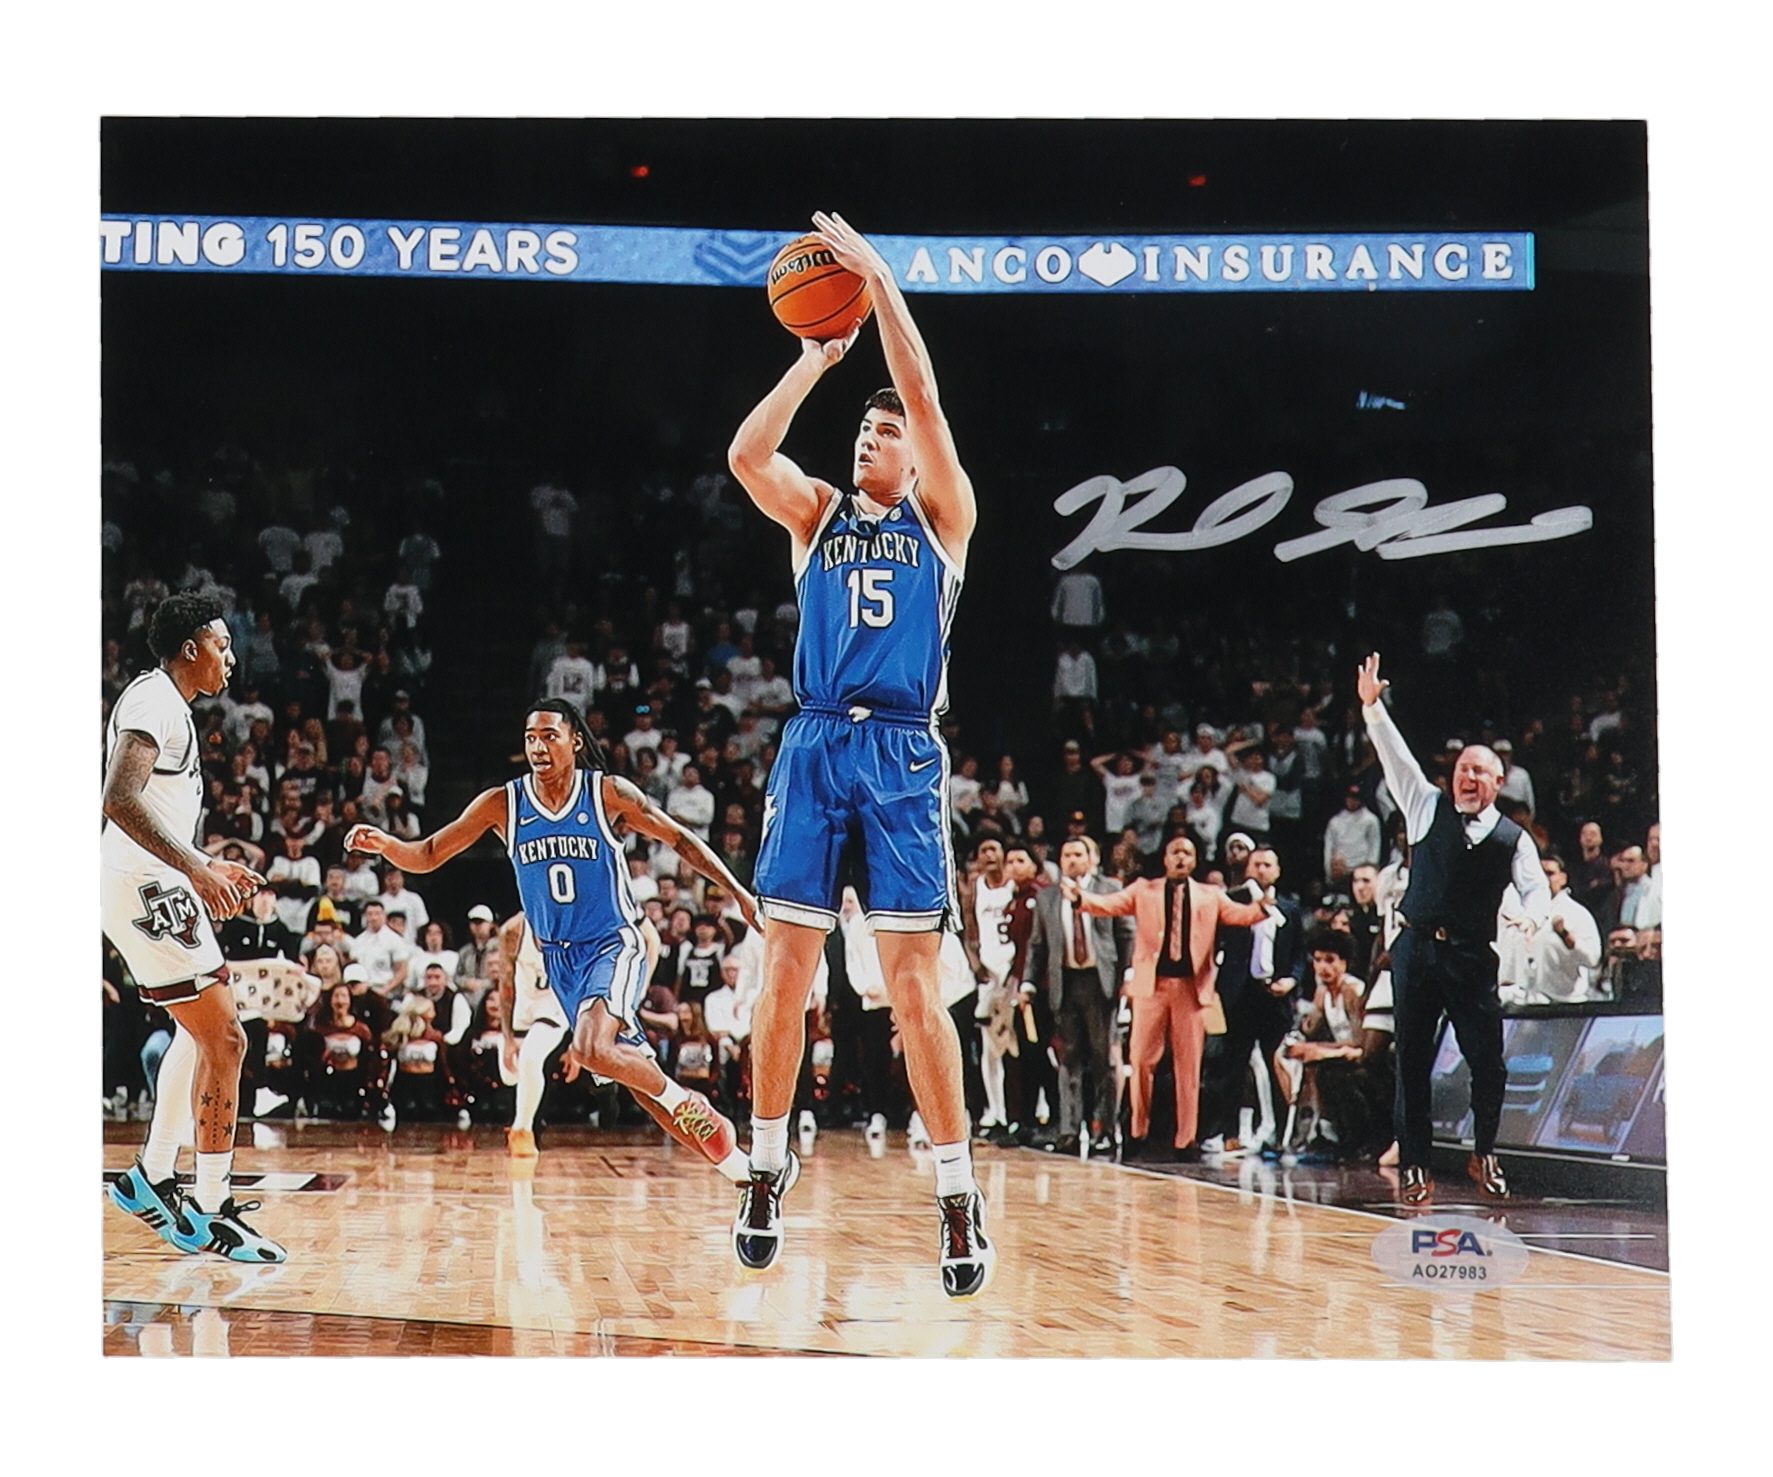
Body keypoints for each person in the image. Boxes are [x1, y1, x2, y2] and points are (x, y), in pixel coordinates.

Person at [725, 211, 992, 1297]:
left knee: (912, 987)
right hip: (816, 743)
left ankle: (956, 1188)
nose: (866, 442)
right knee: (785, 971)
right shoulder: (817, 518)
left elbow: (920, 392)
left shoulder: (944, 518)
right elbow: (746, 456)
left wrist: (879, 283)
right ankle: (764, 1163)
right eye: (862, 434)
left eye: (881, 435)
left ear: (911, 453)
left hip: (902, 756)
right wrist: (813, 359)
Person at [344, 699, 757, 1183]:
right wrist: (387, 845)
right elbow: (430, 853)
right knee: (636, 1082)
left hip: (612, 943)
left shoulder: (607, 793)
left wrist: (738, 892)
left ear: (575, 741)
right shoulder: (504, 803)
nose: (538, 746)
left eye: (549, 736)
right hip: (560, 962)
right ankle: (744, 1171)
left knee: (590, 1050)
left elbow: (680, 839)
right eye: (530, 738)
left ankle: (691, 1103)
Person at [101, 592, 286, 1262]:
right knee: (227, 1038)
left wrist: (204, 862)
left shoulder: (165, 702)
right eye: (221, 645)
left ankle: (150, 1176)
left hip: (151, 882)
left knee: (201, 1027)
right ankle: (209, 1211)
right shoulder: (155, 701)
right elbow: (118, 799)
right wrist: (196, 869)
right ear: (190, 648)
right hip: (143, 885)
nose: (230, 657)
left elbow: (156, 809)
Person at [1357, 653, 1549, 1204]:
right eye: (1462, 768)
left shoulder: (1514, 838)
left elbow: (1536, 889)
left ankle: (1483, 1152)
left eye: (1478, 771)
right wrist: (1372, 708)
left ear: (1498, 781)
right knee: (1411, 1062)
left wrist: (1531, 916)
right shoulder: (1425, 804)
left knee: (1488, 1063)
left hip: (1470, 957)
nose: (1467, 777)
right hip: (1416, 950)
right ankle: (1416, 1164)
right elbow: (1396, 757)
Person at [1068, 834, 1270, 1160]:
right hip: (1152, 987)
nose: (1180, 858)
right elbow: (1110, 904)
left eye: (1187, 853)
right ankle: (1137, 1130)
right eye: (1175, 852)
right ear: (1165, 858)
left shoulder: (1210, 895)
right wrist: (1081, 899)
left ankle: (1185, 1139)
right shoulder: (1144, 890)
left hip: (1190, 988)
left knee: (1188, 1066)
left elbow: (1240, 915)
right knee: (1140, 1060)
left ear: (1194, 860)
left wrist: (1262, 907)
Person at [1023, 836, 1128, 1155]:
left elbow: (1126, 933)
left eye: (1078, 854)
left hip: (1099, 982)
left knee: (1102, 1059)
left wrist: (1127, 975)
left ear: (1092, 858)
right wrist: (1028, 982)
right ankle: (1069, 1131)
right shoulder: (1047, 896)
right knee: (1068, 1059)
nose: (1071, 859)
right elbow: (1037, 945)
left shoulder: (1109, 888)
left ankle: (1105, 1130)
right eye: (1066, 854)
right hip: (1065, 982)